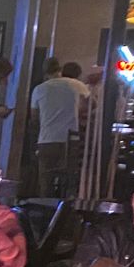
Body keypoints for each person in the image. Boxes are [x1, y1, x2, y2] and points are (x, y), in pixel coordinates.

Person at [28, 61, 91, 198]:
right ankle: (65, 206)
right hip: (71, 139)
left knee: (46, 181)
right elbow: (92, 104)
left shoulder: (39, 89)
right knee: (69, 179)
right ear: (60, 70)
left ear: (45, 73)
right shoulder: (75, 85)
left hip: (47, 140)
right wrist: (77, 113)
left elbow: (34, 118)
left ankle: (46, 206)